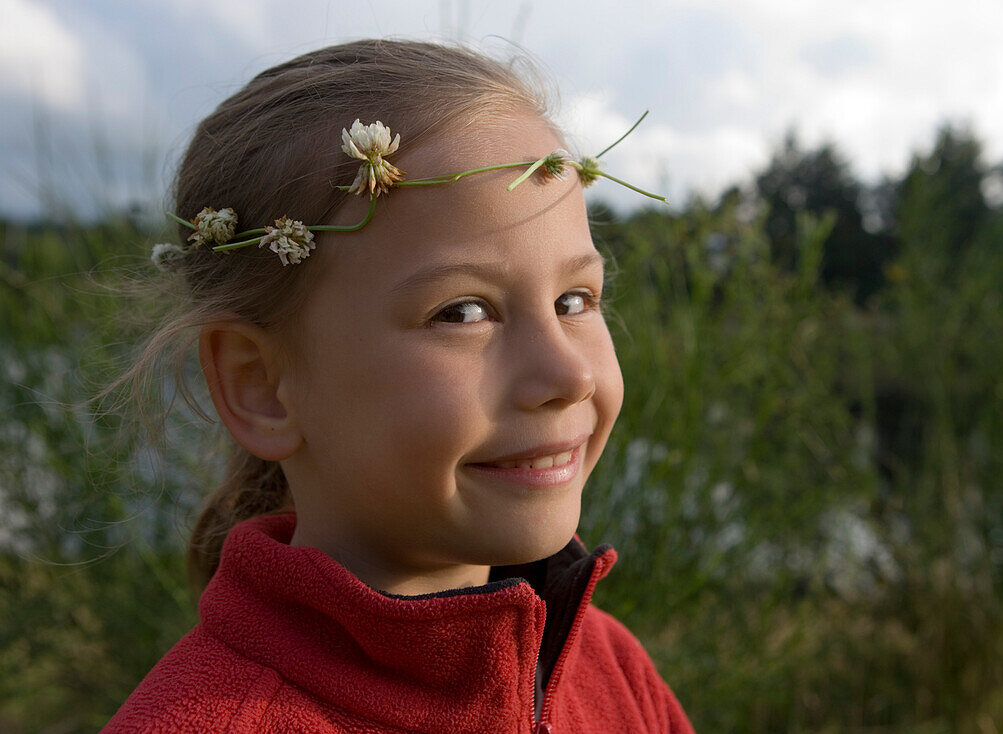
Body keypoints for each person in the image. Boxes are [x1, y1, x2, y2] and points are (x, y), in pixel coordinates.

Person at [102, 39, 693, 733]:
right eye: (463, 313)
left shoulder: (611, 669)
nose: (569, 375)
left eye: (575, 301)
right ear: (260, 384)